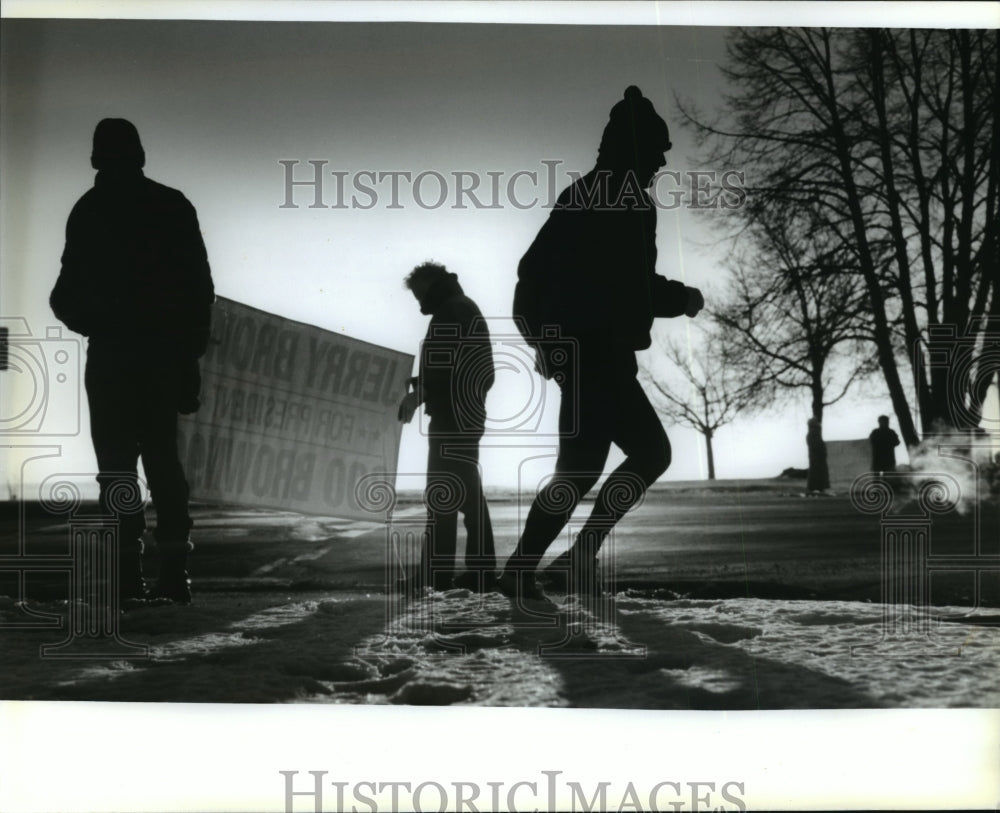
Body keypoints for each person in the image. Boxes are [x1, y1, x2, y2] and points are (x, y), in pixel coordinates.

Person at [498, 86, 704, 601]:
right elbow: (629, 285)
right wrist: (683, 297)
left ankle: (529, 568)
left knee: (580, 469)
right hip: (598, 354)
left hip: (587, 353)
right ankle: (571, 558)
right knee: (649, 452)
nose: (661, 160)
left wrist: (546, 344)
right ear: (634, 147)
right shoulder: (622, 198)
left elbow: (532, 275)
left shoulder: (591, 193)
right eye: (656, 149)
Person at [50, 118, 214, 605]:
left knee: (119, 469)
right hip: (160, 356)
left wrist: (102, 325)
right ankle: (171, 575)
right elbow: (198, 292)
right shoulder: (170, 205)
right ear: (139, 156)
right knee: (161, 461)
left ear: (98, 159)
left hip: (116, 358)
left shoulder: (90, 209)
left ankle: (128, 577)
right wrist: (188, 354)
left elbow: (63, 297)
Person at [397, 262, 497, 592]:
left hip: (452, 420)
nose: (417, 302)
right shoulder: (463, 307)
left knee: (444, 497)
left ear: (428, 286)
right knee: (467, 496)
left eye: (416, 294)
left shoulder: (450, 311)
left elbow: (441, 367)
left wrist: (419, 393)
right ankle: (478, 571)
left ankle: (438, 575)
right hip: (466, 416)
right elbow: (480, 372)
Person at [806, 417, 830, 494]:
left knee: (815, 472)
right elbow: (817, 445)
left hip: (814, 456)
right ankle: (818, 487)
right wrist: (823, 453)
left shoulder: (811, 433)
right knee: (818, 472)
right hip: (817, 457)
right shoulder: (815, 433)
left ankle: (816, 487)